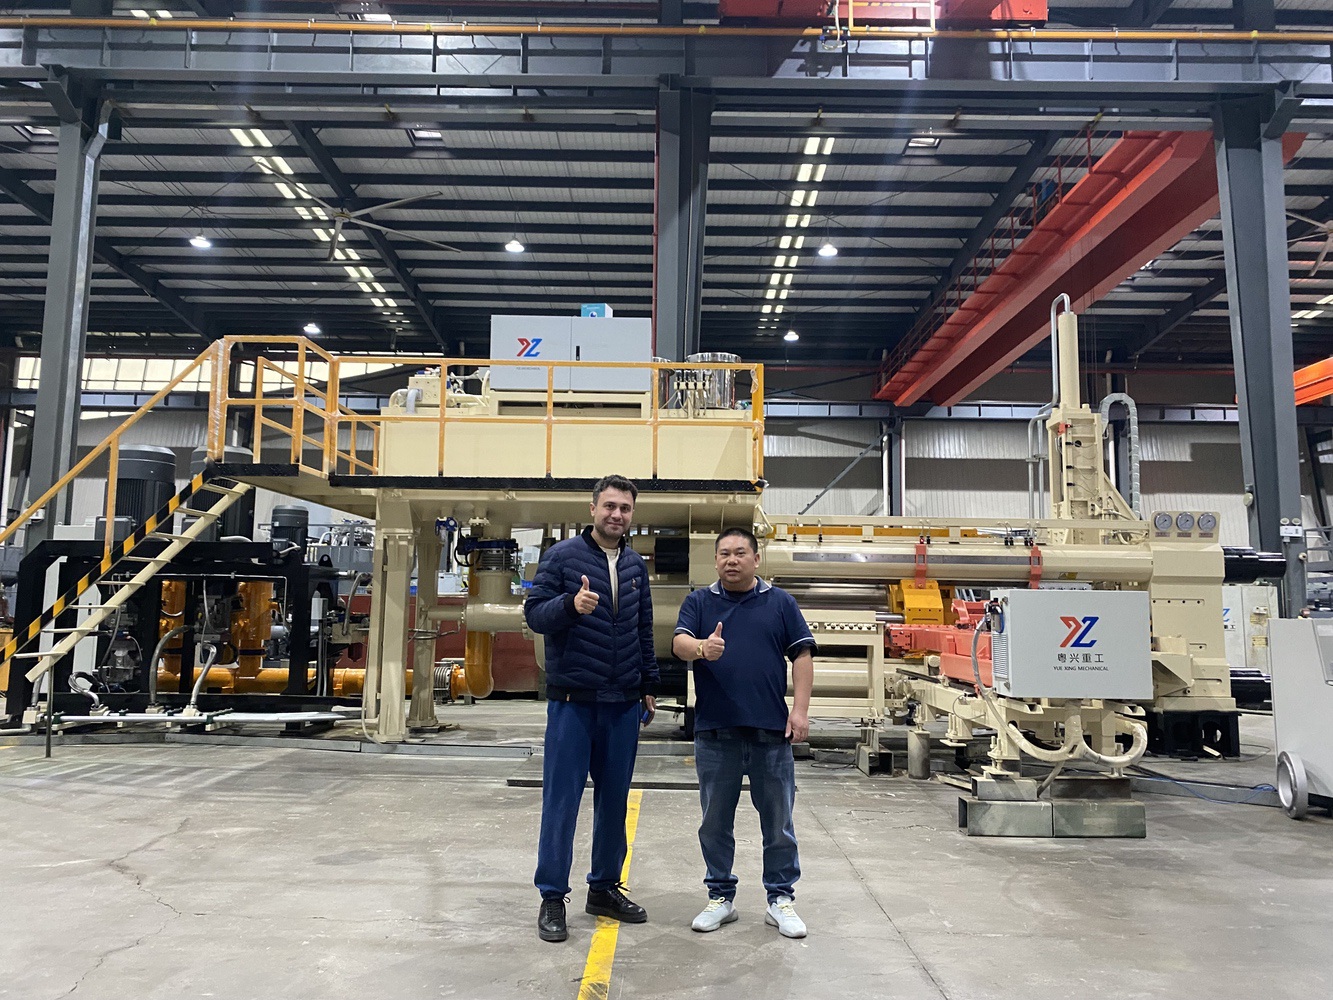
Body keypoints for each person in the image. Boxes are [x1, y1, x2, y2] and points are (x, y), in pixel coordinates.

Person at [524, 474, 659, 944]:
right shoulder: (562, 557)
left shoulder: (636, 565)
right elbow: (534, 614)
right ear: (593, 509)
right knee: (561, 802)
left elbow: (643, 629)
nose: (616, 514)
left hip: (622, 703)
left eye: (625, 508)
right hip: (573, 703)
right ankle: (551, 897)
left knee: (614, 801)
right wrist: (570, 604)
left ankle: (603, 889)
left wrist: (648, 683)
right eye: (609, 506)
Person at [672, 527, 816, 939]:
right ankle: (721, 897)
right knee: (714, 823)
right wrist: (702, 648)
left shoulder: (780, 603)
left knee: (779, 823)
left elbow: (802, 655)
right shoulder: (699, 602)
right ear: (716, 560)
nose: (731, 560)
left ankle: (780, 899)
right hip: (716, 734)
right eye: (724, 554)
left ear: (756, 559)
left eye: (739, 553)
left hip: (771, 733)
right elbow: (679, 643)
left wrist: (800, 711)